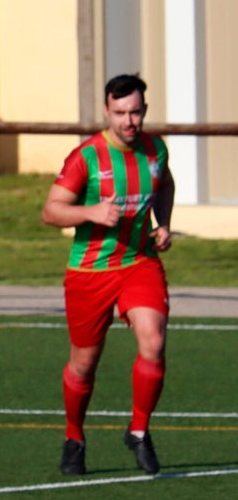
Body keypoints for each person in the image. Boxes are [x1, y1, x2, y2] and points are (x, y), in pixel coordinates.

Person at [42, 73, 175, 476]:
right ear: (106, 111)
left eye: (135, 112)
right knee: (84, 363)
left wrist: (164, 223)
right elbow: (51, 211)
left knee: (153, 341)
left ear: (144, 110)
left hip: (139, 262)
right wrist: (91, 212)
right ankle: (74, 437)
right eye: (119, 113)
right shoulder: (86, 157)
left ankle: (139, 431)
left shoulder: (155, 149)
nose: (128, 121)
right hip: (90, 272)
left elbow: (165, 185)